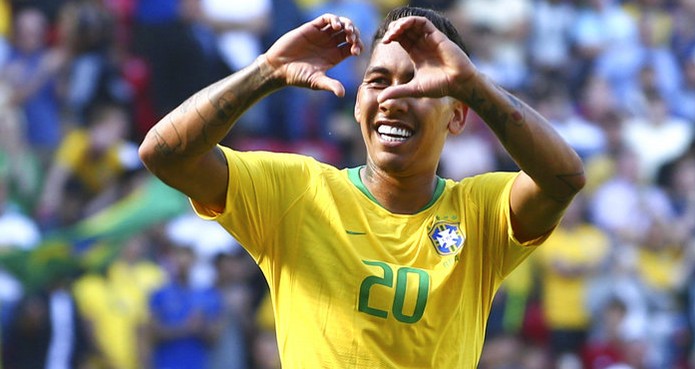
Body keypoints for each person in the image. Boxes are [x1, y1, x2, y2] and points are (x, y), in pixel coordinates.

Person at [138, 6, 585, 368]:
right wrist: (266, 71)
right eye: (378, 81)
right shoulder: (297, 192)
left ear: (458, 115)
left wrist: (473, 84)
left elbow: (563, 179)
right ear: (358, 106)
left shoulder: (480, 213)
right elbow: (164, 153)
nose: (393, 98)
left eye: (419, 84)